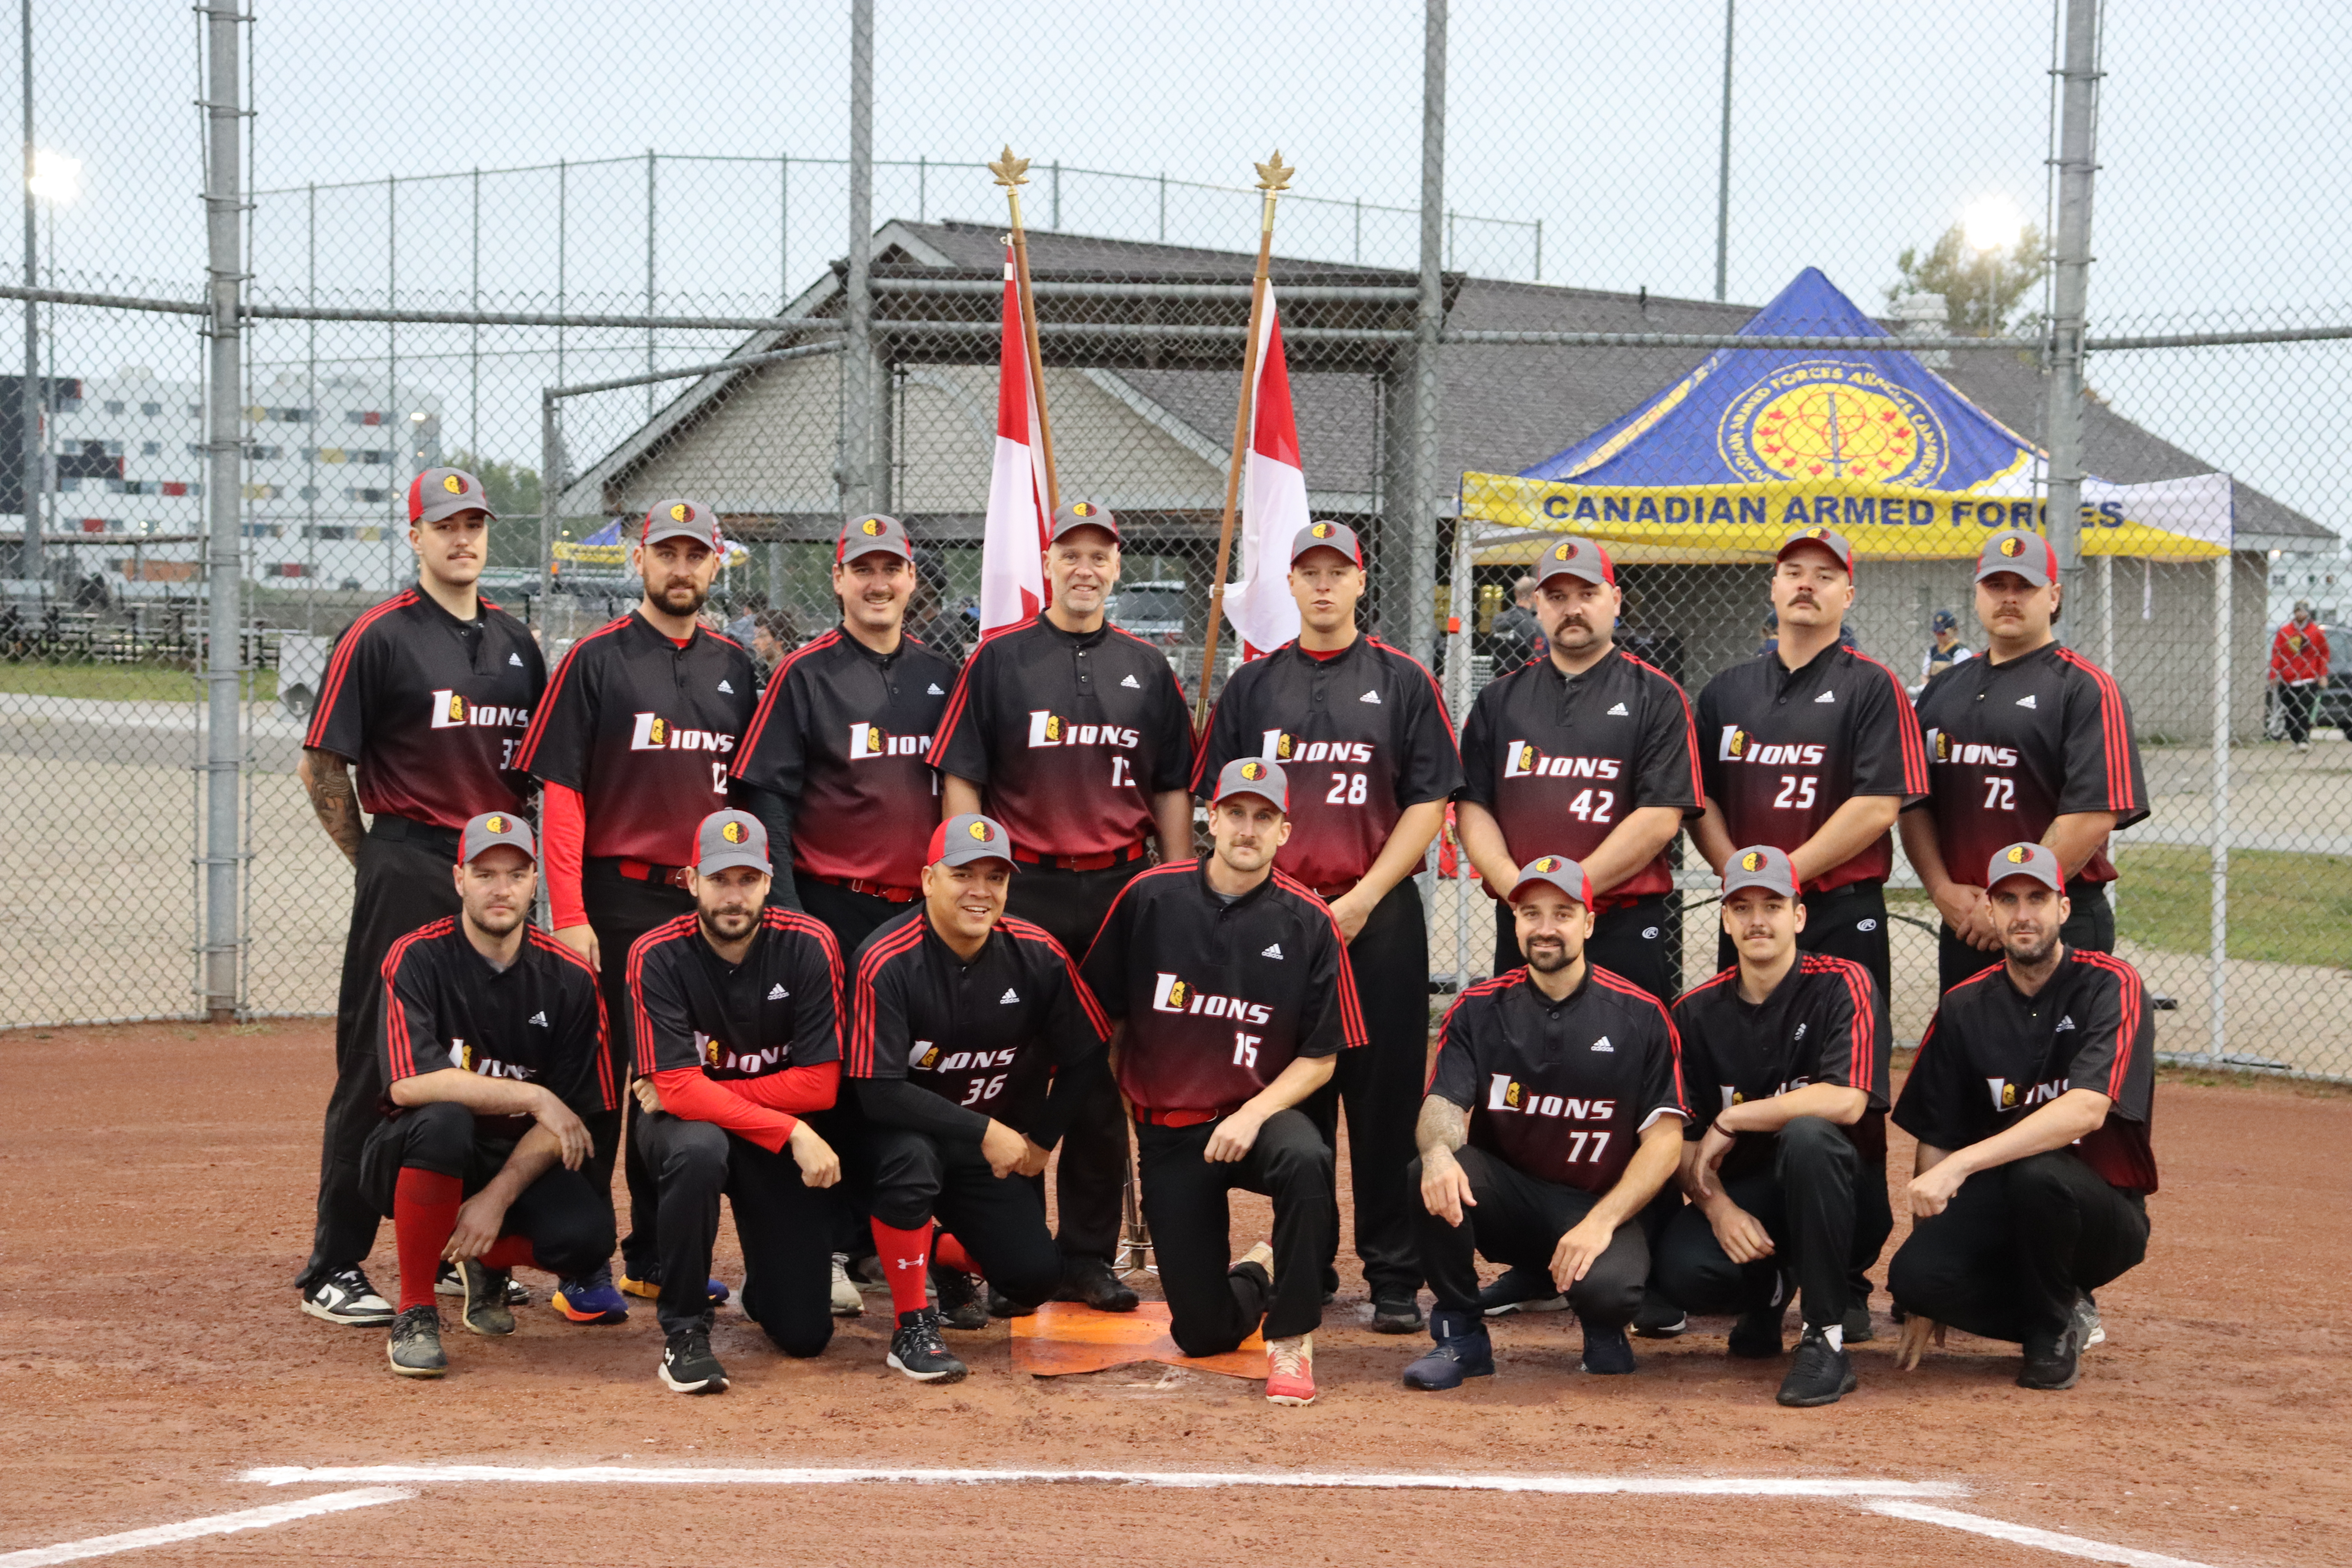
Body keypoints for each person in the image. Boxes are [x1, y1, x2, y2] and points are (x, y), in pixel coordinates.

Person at [292, 466, 546, 1327]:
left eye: (474, 522)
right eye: (444, 524)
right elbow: (324, 766)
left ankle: (462, 1251)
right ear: (415, 536)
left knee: (497, 1052)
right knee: (381, 1061)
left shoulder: (518, 644)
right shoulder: (380, 635)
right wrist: (376, 861)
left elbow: (536, 776)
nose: (462, 537)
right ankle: (335, 1263)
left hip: (500, 867)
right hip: (410, 854)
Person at [1193, 520, 1461, 1334]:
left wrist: (1366, 895)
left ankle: (1392, 1273)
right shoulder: (1252, 686)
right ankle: (1306, 1257)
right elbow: (1218, 801)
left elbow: (1429, 799)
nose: (1320, 585)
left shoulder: (1402, 679)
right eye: (1305, 571)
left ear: (1358, 583)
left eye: (1335, 571)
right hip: (1280, 919)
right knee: (1292, 1094)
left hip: (1373, 912)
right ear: (1290, 584)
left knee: (1382, 1098)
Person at [931, 500, 1195, 1313]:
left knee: (1097, 1070)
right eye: (1070, 553)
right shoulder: (1000, 659)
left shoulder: (1147, 666)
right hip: (1024, 882)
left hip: (1119, 883)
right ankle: (1000, 1252)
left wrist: (1177, 885)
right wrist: (962, 872)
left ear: (1118, 567)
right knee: (1009, 1064)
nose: (1086, 567)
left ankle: (1086, 1254)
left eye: (1100, 555)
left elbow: (1171, 787)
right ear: (1047, 563)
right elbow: (963, 774)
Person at [512, 497, 757, 1325]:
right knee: (603, 1085)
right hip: (617, 896)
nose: (680, 568)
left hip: (706, 902)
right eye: (666, 553)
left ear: (716, 563)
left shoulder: (737, 666)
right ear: (639, 562)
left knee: (685, 1077)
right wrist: (571, 910)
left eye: (696, 554)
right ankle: (583, 1262)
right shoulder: (597, 659)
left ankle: (656, 1254)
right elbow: (564, 794)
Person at [1080, 759, 1362, 1405]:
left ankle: (1291, 1339)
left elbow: (1322, 1058)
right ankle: (1258, 1272)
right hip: (1173, 1130)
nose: (1248, 828)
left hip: (1259, 1116)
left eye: (1264, 817)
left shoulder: (1309, 921)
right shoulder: (1150, 897)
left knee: (1307, 1158)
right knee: (1202, 1334)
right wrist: (1128, 1091)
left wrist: (1250, 1115)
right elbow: (1103, 1013)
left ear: (1285, 831)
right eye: (1236, 813)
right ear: (1213, 818)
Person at [842, 812, 1115, 1382]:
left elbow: (1089, 1049)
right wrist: (987, 1131)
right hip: (891, 1140)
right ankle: (912, 1326)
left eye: (996, 878)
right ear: (927, 880)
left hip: (975, 1157)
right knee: (913, 1160)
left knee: (1033, 1280)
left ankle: (936, 1249)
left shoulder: (1036, 953)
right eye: (963, 874)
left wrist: (1042, 1140)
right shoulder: (884, 959)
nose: (981, 892)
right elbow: (878, 1092)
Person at [1400, 854, 1689, 1391]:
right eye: (1531, 913)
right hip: (1514, 1197)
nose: (1546, 928)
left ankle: (1604, 1330)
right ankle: (1461, 1336)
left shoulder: (1641, 1014)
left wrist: (1601, 1222)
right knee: (1427, 1171)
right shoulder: (1480, 1007)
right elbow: (1443, 1101)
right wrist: (1440, 1155)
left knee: (1611, 1291)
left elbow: (1666, 1142)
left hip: (1599, 1200)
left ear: (1589, 922)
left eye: (1562, 913)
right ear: (1515, 922)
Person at [1888, 841, 2156, 1392]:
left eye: (2037, 898)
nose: (2023, 914)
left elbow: (2085, 1111)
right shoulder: (1965, 1006)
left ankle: (2050, 1329)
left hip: (2100, 1213)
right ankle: (2056, 1309)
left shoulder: (2111, 985)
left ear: (2063, 908)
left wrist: (1963, 1165)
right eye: (2007, 900)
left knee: (2040, 1174)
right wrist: (1929, 1268)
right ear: (1990, 913)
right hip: (2006, 1202)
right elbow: (1938, 1137)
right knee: (1913, 1279)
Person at [364, 812, 615, 1378]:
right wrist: (532, 1096)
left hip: (513, 1162)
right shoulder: (417, 956)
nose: (500, 889)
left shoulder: (572, 979)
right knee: (446, 1118)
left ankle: (485, 1264)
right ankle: (417, 1310)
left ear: (535, 883)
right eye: (484, 874)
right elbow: (408, 1083)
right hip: (415, 1152)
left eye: (516, 874)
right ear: (459, 880)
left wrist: (497, 1197)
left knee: (588, 1241)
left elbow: (571, 1118)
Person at [1652, 846, 1891, 1408]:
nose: (1758, 920)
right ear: (1726, 919)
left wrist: (1736, 1116)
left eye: (1773, 905)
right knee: (1684, 1271)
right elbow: (1685, 1146)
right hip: (1755, 1200)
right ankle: (1770, 1295)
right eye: (1743, 906)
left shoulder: (1843, 983)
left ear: (1799, 916)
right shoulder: (1694, 1011)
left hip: (1844, 1196)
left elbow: (1849, 1101)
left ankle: (1825, 1338)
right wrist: (1720, 1210)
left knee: (1808, 1134)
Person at [626, 810, 847, 1393]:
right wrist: (793, 1129)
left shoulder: (809, 944)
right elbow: (675, 1097)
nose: (734, 896)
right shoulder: (655, 954)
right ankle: (684, 1330)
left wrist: (700, 1091)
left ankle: (765, 1285)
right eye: (720, 879)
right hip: (684, 1132)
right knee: (699, 1149)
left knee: (804, 1335)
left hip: (757, 1131)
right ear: (691, 880)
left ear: (769, 883)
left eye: (748, 880)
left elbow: (821, 1085)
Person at [1903, 530, 2149, 994]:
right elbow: (1915, 802)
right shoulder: (1942, 691)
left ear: (2053, 596)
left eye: (2026, 587)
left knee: (2063, 1066)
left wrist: (2015, 906)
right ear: (1977, 594)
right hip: (1968, 922)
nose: (2010, 598)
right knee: (1972, 1064)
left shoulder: (2085, 688)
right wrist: (1940, 890)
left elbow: (2094, 813)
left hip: (2058, 920)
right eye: (1997, 586)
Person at [1457, 537, 1701, 1004]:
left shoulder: (1657, 695)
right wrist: (1521, 892)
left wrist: (1570, 894)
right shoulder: (1500, 701)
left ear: (1615, 600)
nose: (1572, 609)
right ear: (1539, 606)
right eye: (1557, 597)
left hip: (1623, 921)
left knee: (1631, 1069)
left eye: (1587, 594)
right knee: (1519, 1065)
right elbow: (1473, 806)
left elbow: (1660, 817)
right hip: (1526, 923)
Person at [1691, 526, 1929, 1000]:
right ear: (1773, 587)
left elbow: (1878, 807)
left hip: (1839, 910)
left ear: (1848, 595)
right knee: (1744, 1057)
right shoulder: (1726, 691)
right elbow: (1700, 800)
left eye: (1824, 576)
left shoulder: (1873, 686)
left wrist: (1782, 877)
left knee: (1847, 1064)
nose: (1806, 584)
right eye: (1794, 573)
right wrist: (1745, 879)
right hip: (1750, 910)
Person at [2269, 599, 2331, 753]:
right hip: (2288, 678)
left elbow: (2323, 654)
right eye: (2298, 611)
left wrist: (2322, 674)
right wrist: (2274, 673)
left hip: (2308, 677)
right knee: (2291, 712)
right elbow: (2277, 653)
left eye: (2303, 611)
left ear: (2308, 613)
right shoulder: (2285, 632)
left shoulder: (2316, 632)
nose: (2300, 614)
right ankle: (2295, 740)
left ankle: (2304, 740)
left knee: (2305, 710)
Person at [1488, 575, 1539, 671]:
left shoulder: (1499, 620)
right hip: (1523, 678)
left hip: (1500, 678)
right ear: (1534, 595)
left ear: (1516, 593)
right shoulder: (1533, 625)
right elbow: (1538, 659)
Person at [1921, 608, 1972, 687]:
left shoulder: (1960, 652)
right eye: (1936, 632)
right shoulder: (1932, 651)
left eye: (1942, 633)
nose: (1938, 636)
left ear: (1952, 631)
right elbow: (1924, 676)